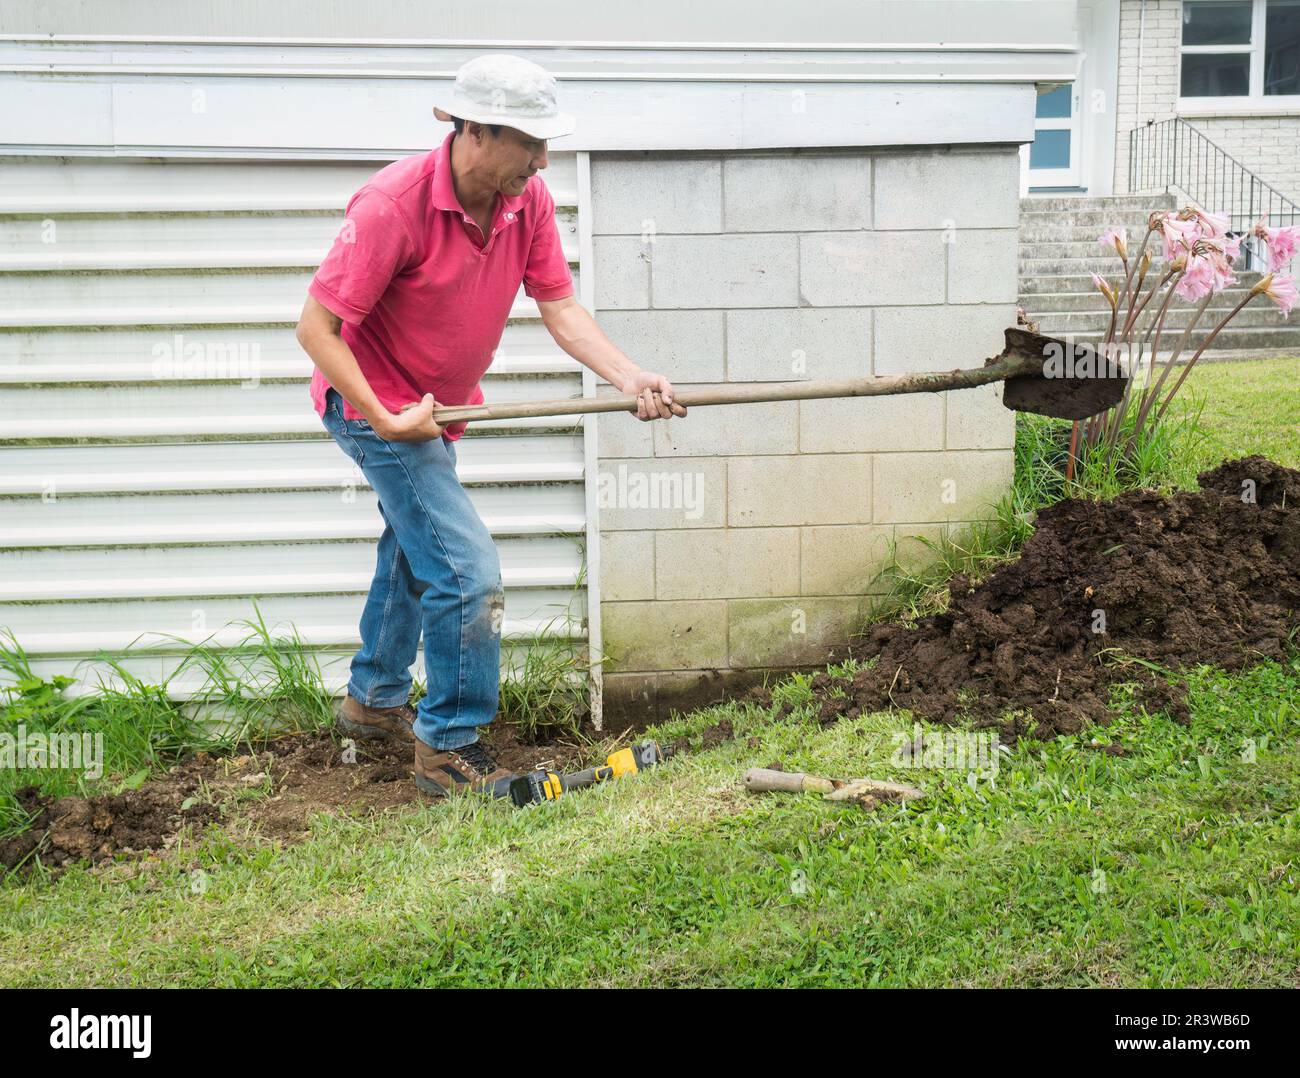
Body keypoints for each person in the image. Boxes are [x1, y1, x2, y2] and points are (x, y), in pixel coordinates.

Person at [295, 54, 686, 798]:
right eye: (531, 143)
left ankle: (372, 699)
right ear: (474, 130)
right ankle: (447, 744)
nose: (543, 160)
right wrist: (383, 415)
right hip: (373, 404)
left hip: (437, 409)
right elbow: (316, 330)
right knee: (467, 574)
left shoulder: (524, 201)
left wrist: (629, 377)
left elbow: (560, 307)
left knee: (417, 548)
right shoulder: (392, 205)